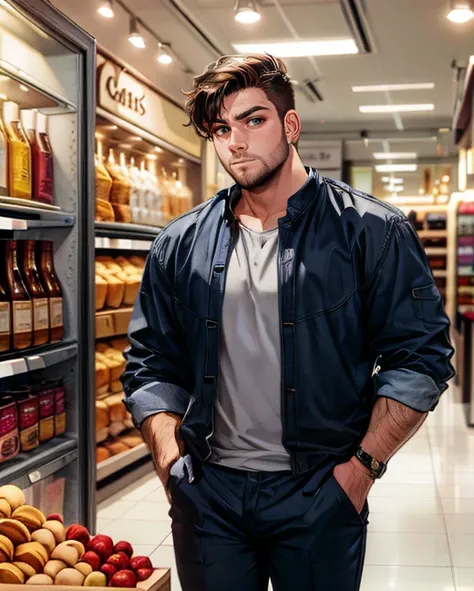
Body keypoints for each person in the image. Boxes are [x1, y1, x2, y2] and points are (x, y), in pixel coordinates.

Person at [121, 54, 455, 591]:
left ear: (291, 124)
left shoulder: (372, 231)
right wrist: (169, 460)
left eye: (254, 120)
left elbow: (420, 357)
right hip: (211, 495)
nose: (236, 141)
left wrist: (362, 468)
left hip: (320, 490)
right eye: (221, 128)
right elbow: (150, 361)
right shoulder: (178, 244)